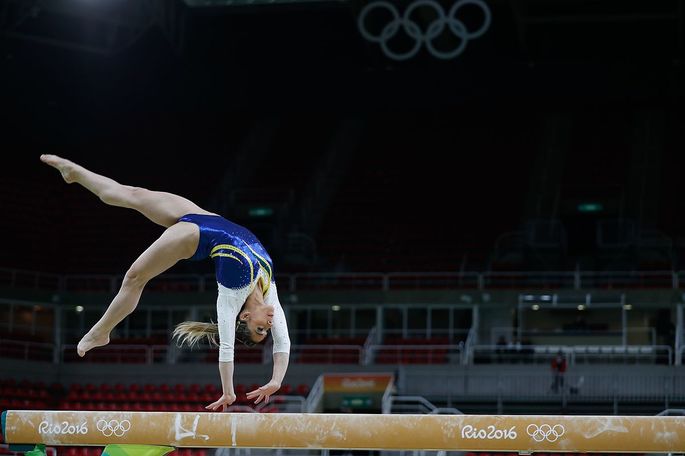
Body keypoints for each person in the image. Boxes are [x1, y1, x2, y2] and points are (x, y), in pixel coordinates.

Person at [40, 154, 290, 411]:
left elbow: (226, 347)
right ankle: (76, 173)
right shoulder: (269, 290)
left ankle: (101, 332)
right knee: (134, 194)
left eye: (261, 330)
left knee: (134, 277)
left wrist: (229, 392)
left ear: (245, 317)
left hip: (194, 236)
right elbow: (283, 342)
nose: (269, 327)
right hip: (203, 216)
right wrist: (276, 381)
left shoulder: (232, 295)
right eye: (265, 331)